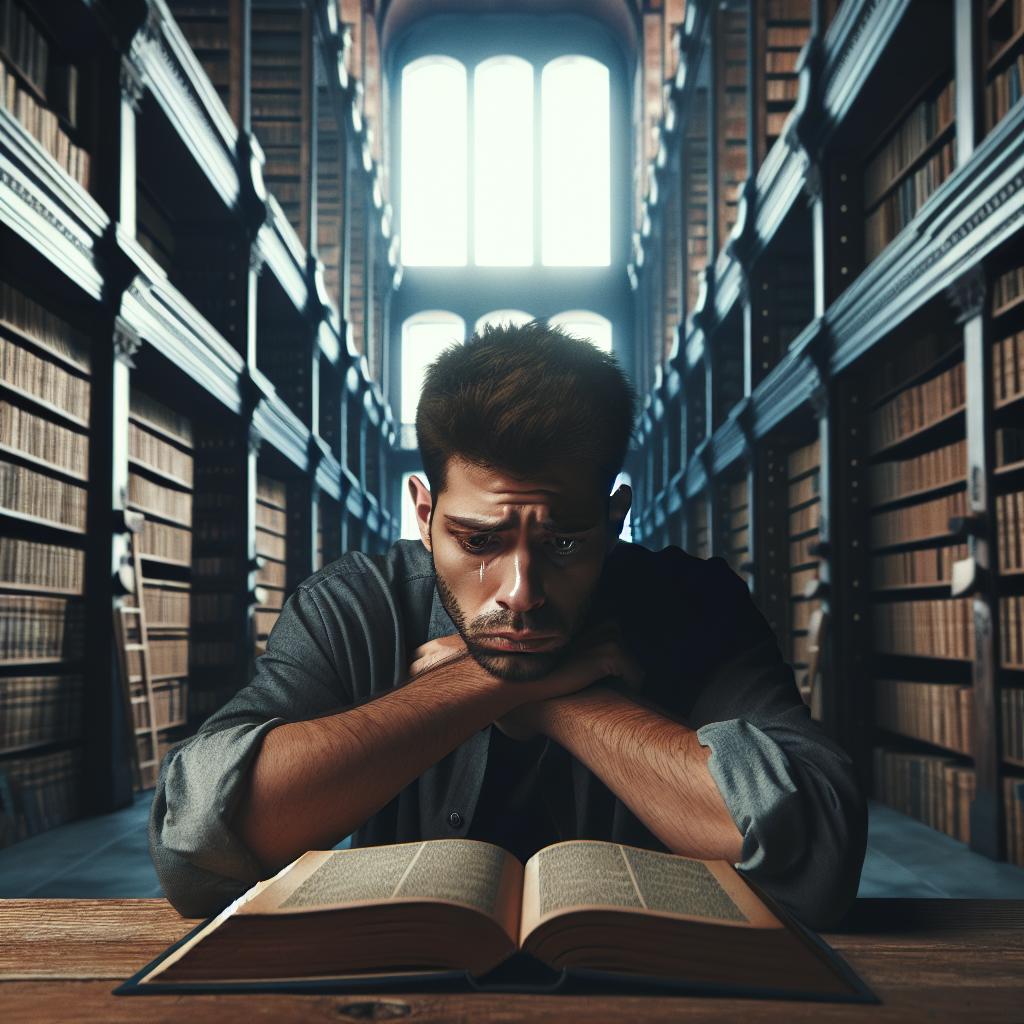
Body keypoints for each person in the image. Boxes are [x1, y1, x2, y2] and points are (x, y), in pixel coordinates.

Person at [149, 320, 867, 929]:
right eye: (480, 541)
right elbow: (195, 841)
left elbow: (822, 854)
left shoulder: (696, 604)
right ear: (425, 517)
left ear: (614, 521)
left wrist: (555, 698)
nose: (521, 595)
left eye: (562, 544)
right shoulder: (355, 605)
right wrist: (478, 686)